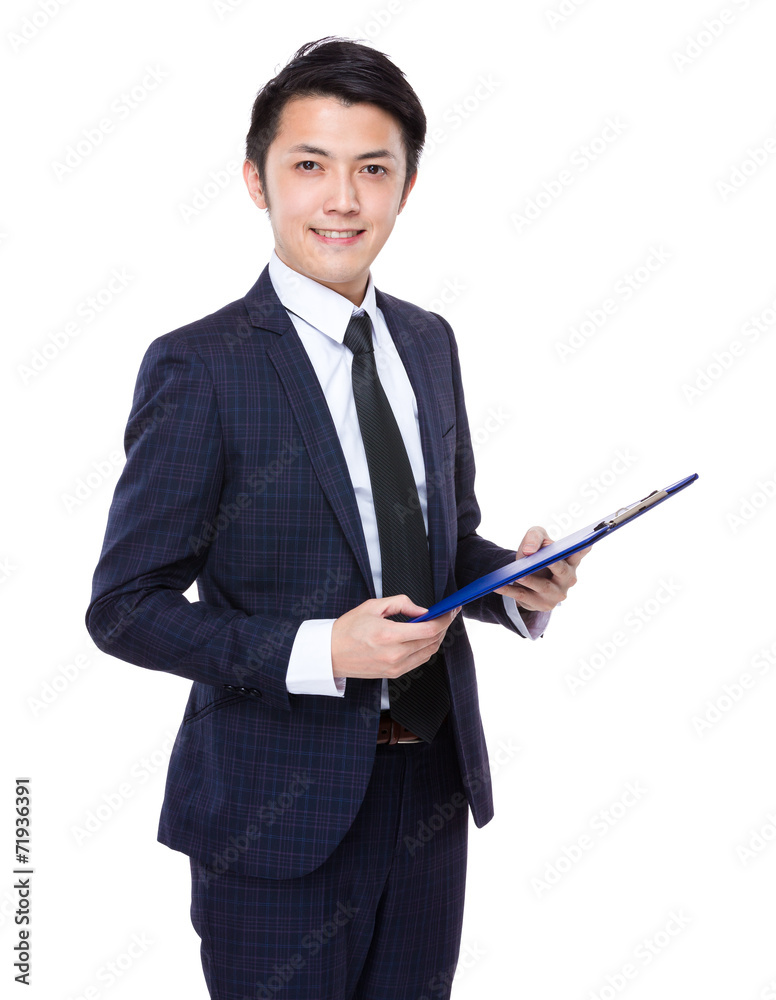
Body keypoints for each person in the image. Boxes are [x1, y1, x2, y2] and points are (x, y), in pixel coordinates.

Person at [85, 35, 589, 1000]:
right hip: (274, 815)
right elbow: (124, 607)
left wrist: (516, 584)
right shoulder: (203, 367)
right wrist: (321, 651)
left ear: (408, 185)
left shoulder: (429, 343)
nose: (343, 199)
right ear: (255, 179)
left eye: (373, 169)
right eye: (309, 166)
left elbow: (443, 543)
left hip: (431, 792)